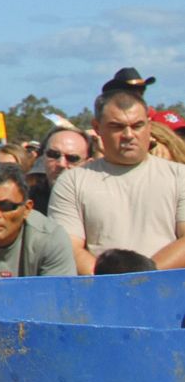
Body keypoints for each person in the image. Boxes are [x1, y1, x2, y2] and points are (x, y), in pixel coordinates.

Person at [48, 88, 185, 273]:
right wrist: (112, 284)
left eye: (137, 126)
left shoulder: (179, 176)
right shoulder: (72, 182)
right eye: (117, 127)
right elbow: (69, 248)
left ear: (149, 125)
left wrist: (146, 276)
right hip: (102, 294)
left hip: (168, 293)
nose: (128, 135)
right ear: (97, 128)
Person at [33, 128, 91, 209]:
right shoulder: (25, 200)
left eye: (72, 158)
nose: (61, 164)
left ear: (88, 163)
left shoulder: (100, 202)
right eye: (53, 154)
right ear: (43, 156)